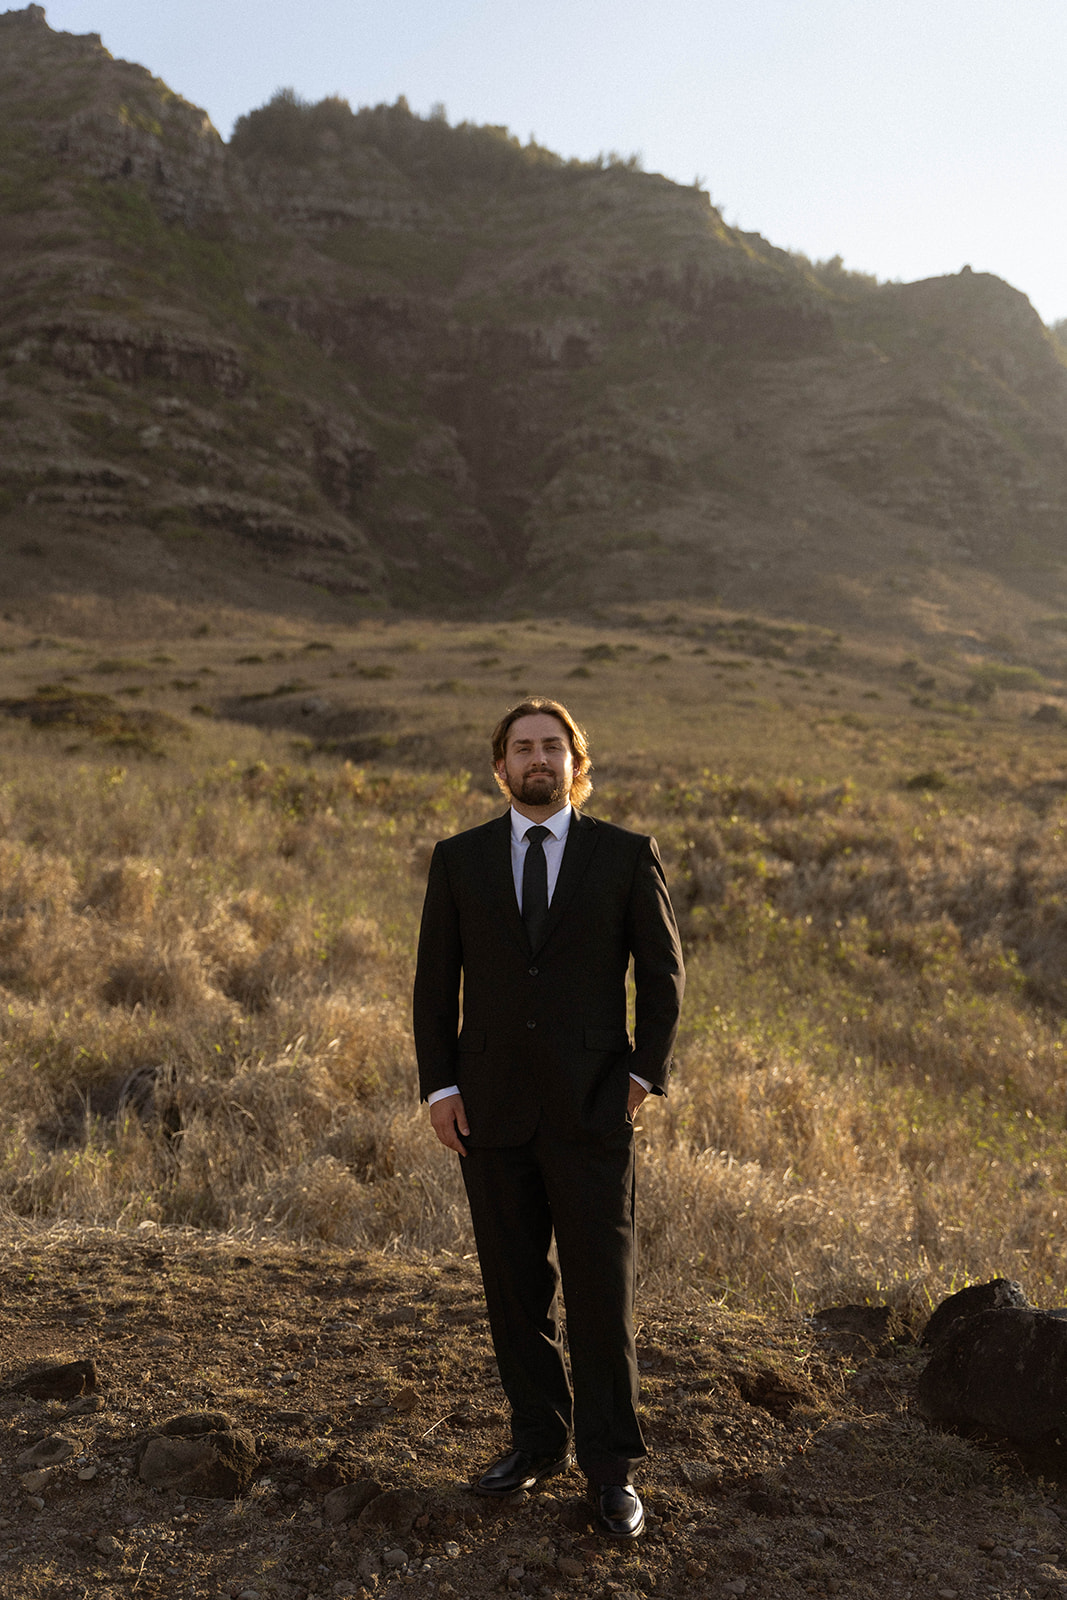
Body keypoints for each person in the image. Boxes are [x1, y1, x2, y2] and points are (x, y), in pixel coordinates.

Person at [412, 697, 684, 1539]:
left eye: (551, 747)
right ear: (500, 767)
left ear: (576, 762)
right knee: (513, 1289)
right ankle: (537, 1442)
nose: (537, 759)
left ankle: (610, 1472)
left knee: (602, 1295)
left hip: (594, 1110)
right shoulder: (458, 860)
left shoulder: (624, 855)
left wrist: (639, 1079)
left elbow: (664, 980)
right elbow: (433, 986)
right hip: (488, 1112)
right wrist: (439, 1089)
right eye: (522, 747)